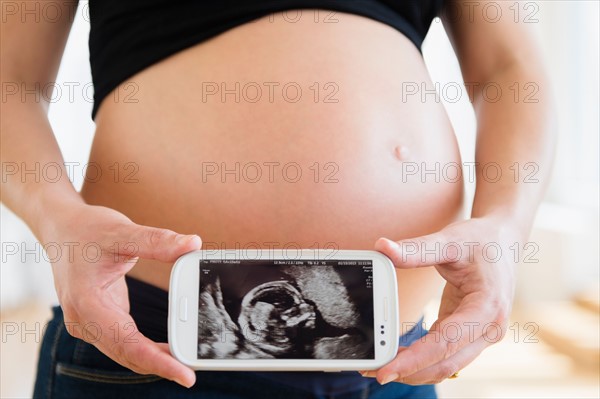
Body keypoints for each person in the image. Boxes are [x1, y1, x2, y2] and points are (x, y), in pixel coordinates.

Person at [1, 0, 555, 398]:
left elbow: (510, 71)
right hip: (151, 346)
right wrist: (58, 220)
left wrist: (505, 229)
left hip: (392, 360)